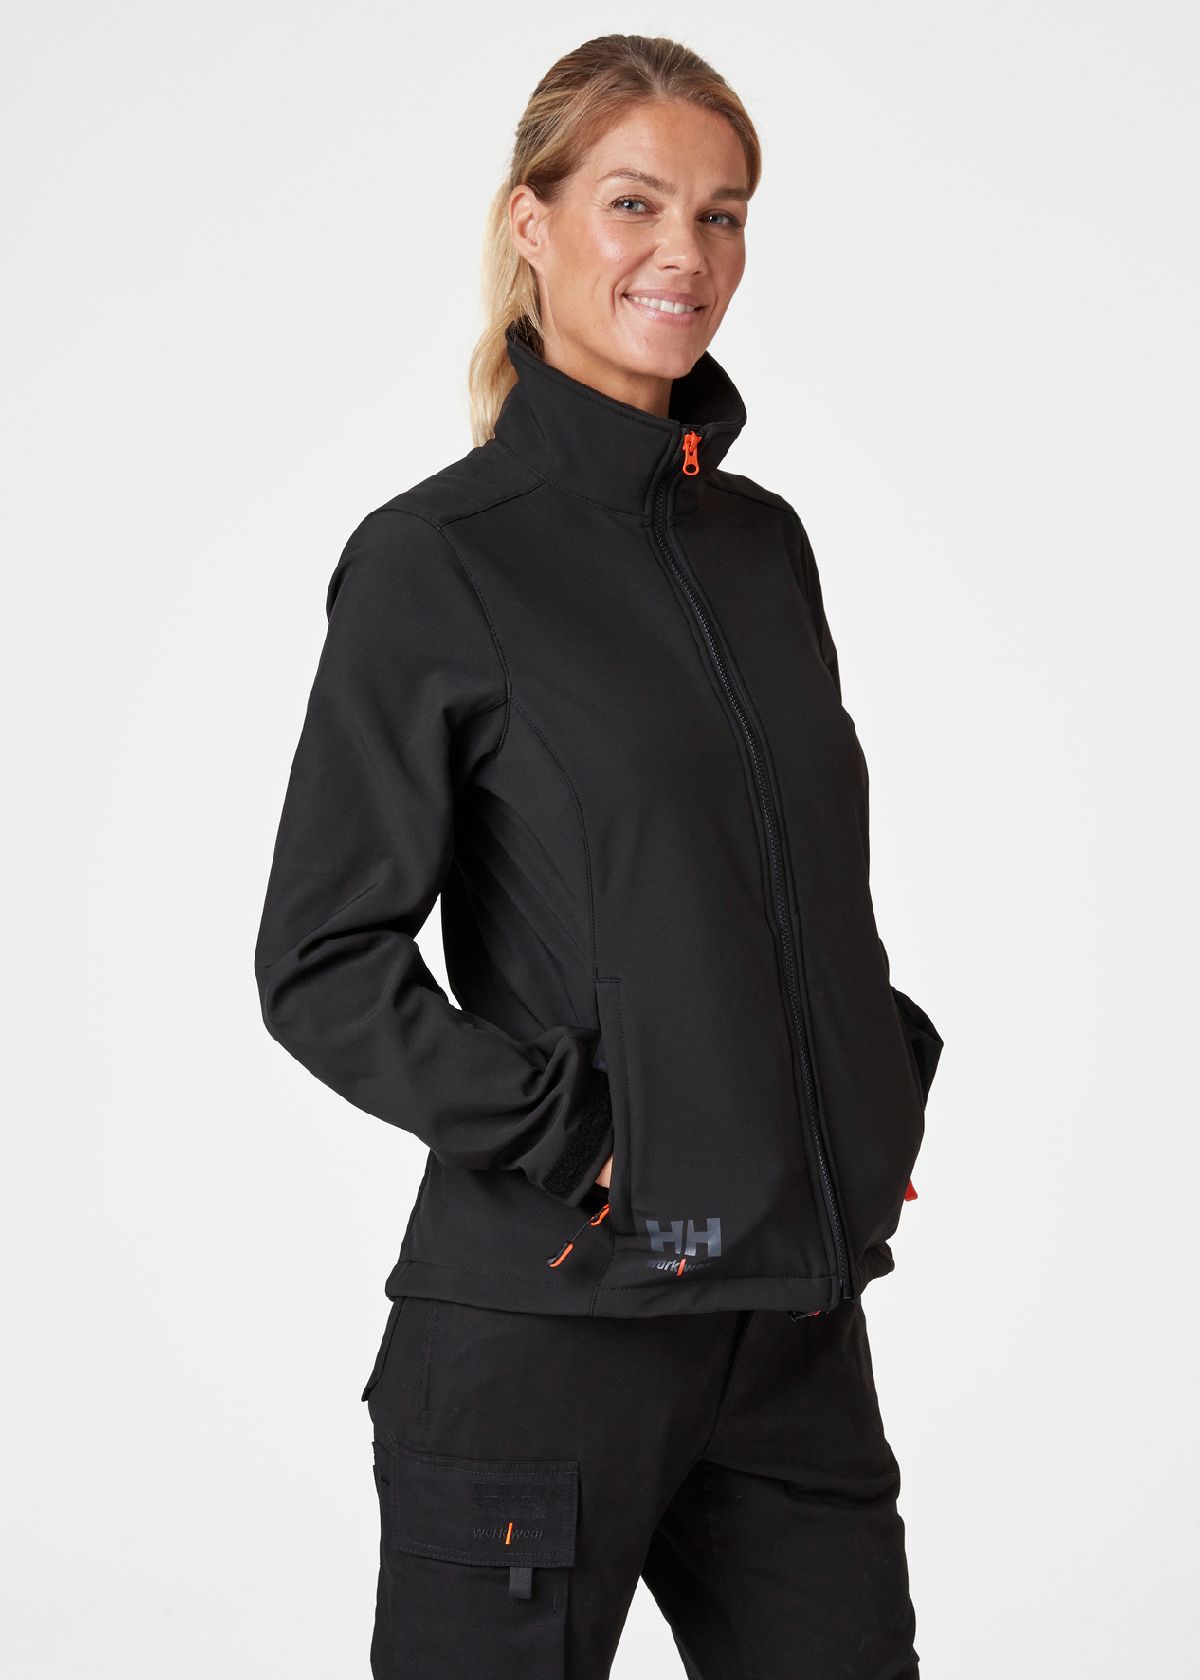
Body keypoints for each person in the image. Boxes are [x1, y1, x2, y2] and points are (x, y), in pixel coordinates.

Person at [253, 31, 944, 1680]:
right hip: (548, 1336)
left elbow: (791, 890)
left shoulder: (762, 548)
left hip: (787, 1331)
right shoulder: (437, 561)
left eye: (721, 214)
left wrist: (866, 1082)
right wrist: (583, 1140)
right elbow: (321, 964)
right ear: (533, 221)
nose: (682, 253)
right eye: (634, 202)